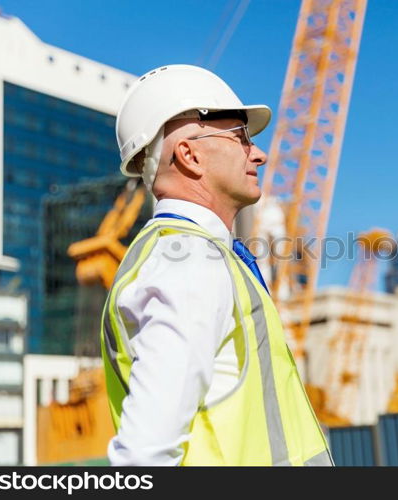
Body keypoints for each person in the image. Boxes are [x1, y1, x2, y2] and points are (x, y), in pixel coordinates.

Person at [101, 64, 333, 466]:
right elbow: (143, 456)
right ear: (189, 154)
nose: (258, 153)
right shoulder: (189, 260)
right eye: (240, 137)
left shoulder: (199, 255)